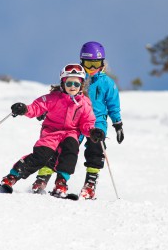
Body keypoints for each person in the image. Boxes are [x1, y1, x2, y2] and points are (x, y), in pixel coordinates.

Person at [0, 64, 105, 198]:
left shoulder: (84, 103)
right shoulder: (53, 98)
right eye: (69, 83)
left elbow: (87, 122)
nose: (72, 86)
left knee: (70, 152)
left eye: (76, 83)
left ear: (81, 85)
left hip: (71, 133)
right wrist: (24, 109)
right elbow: (37, 107)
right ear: (63, 83)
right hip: (51, 133)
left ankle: (61, 183)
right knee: (41, 157)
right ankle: (11, 177)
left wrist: (92, 132)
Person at [32, 41, 124, 199]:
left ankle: (90, 185)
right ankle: (43, 178)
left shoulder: (107, 83)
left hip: (97, 123)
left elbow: (113, 105)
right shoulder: (77, 78)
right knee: (61, 148)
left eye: (96, 64)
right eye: (88, 64)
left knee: (95, 149)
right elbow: (59, 97)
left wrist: (118, 124)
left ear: (102, 64)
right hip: (74, 121)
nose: (92, 69)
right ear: (82, 62)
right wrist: (45, 110)